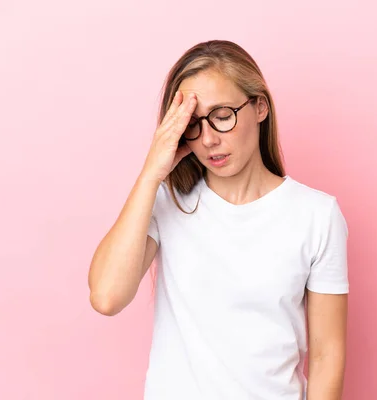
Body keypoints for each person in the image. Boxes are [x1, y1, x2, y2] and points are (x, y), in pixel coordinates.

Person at [88, 40, 350, 400]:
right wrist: (151, 173)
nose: (208, 139)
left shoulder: (316, 215)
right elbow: (106, 297)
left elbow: (326, 357)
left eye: (223, 116)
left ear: (260, 107)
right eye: (192, 124)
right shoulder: (168, 202)